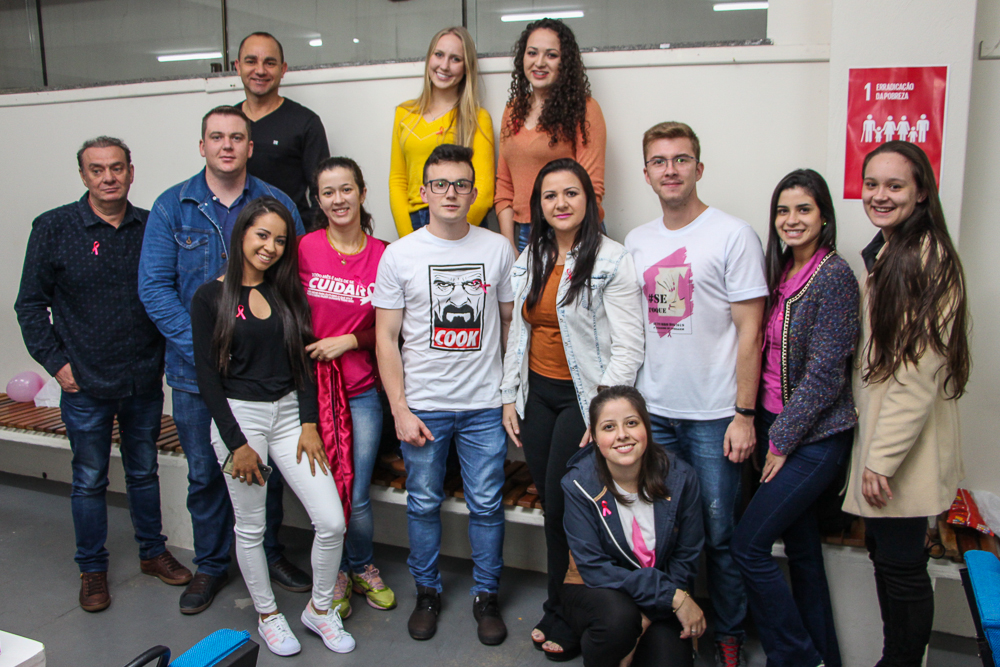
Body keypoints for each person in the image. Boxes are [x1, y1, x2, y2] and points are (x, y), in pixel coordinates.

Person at [139, 105, 309, 614]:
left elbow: (292, 283)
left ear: (250, 147)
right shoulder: (173, 206)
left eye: (238, 137)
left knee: (267, 471)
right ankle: (212, 564)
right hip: (196, 377)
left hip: (268, 379)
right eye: (217, 136)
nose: (227, 145)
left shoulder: (276, 202)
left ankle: (270, 552)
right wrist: (211, 350)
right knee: (205, 473)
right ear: (203, 145)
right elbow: (154, 289)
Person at [15, 136, 191, 612]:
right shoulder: (54, 228)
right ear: (83, 176)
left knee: (142, 471)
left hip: (142, 378)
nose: (108, 177)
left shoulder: (153, 227)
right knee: (89, 478)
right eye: (97, 170)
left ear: (131, 172)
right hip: (84, 383)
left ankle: (153, 553)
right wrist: (57, 365)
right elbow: (30, 305)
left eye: (117, 168)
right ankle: (92, 569)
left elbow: (170, 294)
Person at [624, 121, 767, 666]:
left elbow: (750, 332)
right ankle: (665, 626)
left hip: (714, 416)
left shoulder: (733, 235)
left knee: (721, 532)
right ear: (646, 174)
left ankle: (729, 633)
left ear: (699, 169)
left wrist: (743, 414)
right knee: (657, 530)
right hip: (653, 412)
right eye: (660, 161)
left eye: (681, 159)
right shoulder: (637, 241)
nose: (671, 170)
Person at [191, 197, 353, 657]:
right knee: (251, 527)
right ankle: (268, 615)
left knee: (331, 521)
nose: (271, 246)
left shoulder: (287, 293)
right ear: (242, 233)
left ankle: (320, 611)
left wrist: (308, 422)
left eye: (280, 239)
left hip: (289, 418)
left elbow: (301, 362)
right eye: (262, 235)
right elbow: (207, 377)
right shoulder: (209, 297)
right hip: (241, 420)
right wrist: (237, 443)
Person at [500, 158, 644, 658]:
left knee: (568, 508)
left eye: (571, 194)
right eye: (549, 196)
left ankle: (569, 609)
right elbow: (519, 331)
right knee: (551, 509)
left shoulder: (612, 258)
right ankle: (560, 602)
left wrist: (601, 413)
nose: (560, 204)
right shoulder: (530, 255)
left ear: (589, 200)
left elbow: (629, 345)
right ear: (538, 206)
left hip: (583, 404)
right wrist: (507, 395)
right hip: (536, 395)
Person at [374, 144, 515, 645]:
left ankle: (487, 596)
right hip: (425, 406)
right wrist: (400, 408)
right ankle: (427, 591)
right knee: (423, 503)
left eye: (460, 184)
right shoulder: (400, 254)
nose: (450, 193)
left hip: (482, 406)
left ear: (474, 193)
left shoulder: (497, 249)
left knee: (486, 504)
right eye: (440, 184)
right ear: (423, 192)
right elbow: (385, 338)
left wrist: (508, 397)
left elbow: (508, 326)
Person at [843, 141, 971, 667]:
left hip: (899, 452)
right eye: (872, 184)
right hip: (888, 442)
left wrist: (882, 458)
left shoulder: (926, 258)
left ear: (921, 192)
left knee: (901, 569)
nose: (879, 195)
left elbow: (918, 374)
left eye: (894, 185)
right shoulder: (894, 250)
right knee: (888, 560)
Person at [730, 170, 860, 667]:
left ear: (823, 215)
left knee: (749, 546)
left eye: (803, 209)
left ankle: (796, 658)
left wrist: (780, 442)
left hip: (814, 440)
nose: (791, 220)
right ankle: (824, 656)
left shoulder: (835, 276)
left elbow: (827, 376)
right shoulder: (779, 270)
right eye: (783, 211)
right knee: (803, 553)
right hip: (770, 426)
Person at [298, 156, 395, 615]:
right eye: (328, 192)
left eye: (346, 189)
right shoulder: (303, 248)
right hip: (311, 393)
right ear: (319, 200)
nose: (338, 199)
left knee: (355, 491)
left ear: (362, 192)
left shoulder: (384, 255)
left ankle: (361, 567)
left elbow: (398, 326)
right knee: (326, 490)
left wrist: (351, 340)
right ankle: (332, 573)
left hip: (361, 390)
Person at [561, 385, 706, 667]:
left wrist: (649, 617)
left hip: (660, 592)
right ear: (595, 436)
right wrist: (674, 598)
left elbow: (686, 556)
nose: (622, 435)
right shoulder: (578, 484)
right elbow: (593, 566)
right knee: (618, 620)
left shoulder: (681, 478)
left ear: (646, 428)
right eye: (608, 427)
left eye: (631, 423)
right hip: (598, 591)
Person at [496, 18, 607, 253]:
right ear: (522, 58)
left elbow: (591, 188)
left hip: (572, 230)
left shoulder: (584, 109)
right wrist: (508, 244)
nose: (539, 63)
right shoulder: (512, 110)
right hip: (522, 232)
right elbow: (504, 186)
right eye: (532, 53)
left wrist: (568, 245)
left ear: (565, 62)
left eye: (551, 55)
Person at [389, 26, 494, 237]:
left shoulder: (477, 117)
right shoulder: (405, 113)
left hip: (460, 224)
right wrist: (409, 237)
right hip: (415, 222)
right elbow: (398, 180)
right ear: (429, 58)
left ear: (466, 68)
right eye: (439, 55)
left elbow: (483, 191)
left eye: (455, 59)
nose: (444, 66)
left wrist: (451, 235)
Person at [236, 32, 330, 223]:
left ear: (283, 69)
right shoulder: (227, 123)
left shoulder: (305, 122)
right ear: (238, 67)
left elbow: (321, 192)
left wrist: (307, 239)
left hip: (290, 237)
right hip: (233, 236)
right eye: (251, 61)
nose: (260, 70)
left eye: (270, 63)